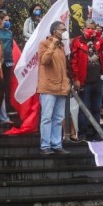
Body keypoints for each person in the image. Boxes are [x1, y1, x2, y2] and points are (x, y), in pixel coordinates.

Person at [71, 20, 103, 141]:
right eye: (89, 28)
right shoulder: (77, 41)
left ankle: (96, 133)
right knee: (84, 108)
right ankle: (83, 133)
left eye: (93, 28)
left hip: (97, 81)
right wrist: (76, 79)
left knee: (96, 108)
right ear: (84, 28)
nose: (91, 31)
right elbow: (73, 62)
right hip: (84, 82)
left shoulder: (98, 40)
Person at [37, 22, 71, 155]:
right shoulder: (44, 43)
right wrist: (53, 44)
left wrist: (67, 82)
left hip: (61, 87)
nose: (64, 32)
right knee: (47, 117)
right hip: (48, 87)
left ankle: (56, 144)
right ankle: (45, 145)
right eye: (62, 30)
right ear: (55, 31)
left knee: (58, 118)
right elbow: (44, 61)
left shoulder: (62, 47)